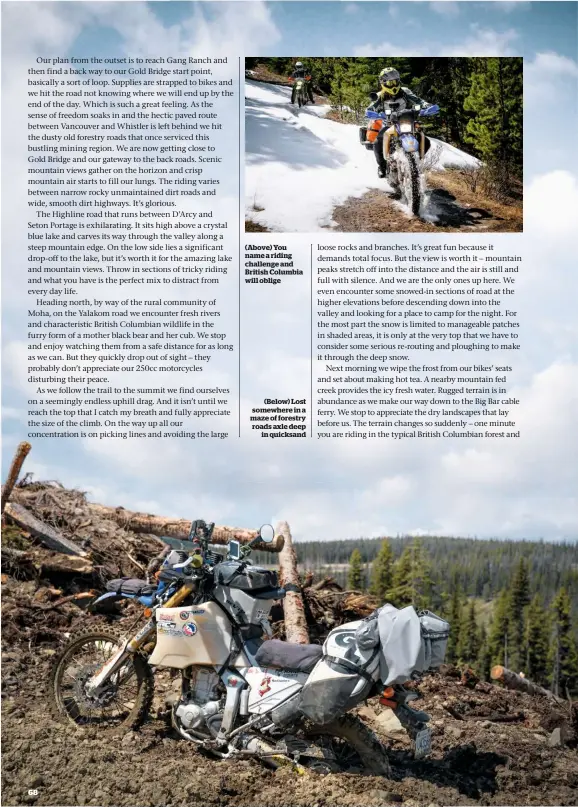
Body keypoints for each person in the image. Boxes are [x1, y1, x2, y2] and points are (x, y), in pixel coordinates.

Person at [360, 67, 434, 180]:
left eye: (395, 82)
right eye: (390, 82)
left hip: (406, 122)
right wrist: (372, 113)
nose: (393, 85)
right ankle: (382, 167)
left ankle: (416, 163)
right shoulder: (380, 95)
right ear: (383, 83)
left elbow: (419, 100)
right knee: (377, 142)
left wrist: (427, 106)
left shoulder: (405, 91)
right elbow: (370, 108)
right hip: (389, 124)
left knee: (425, 141)